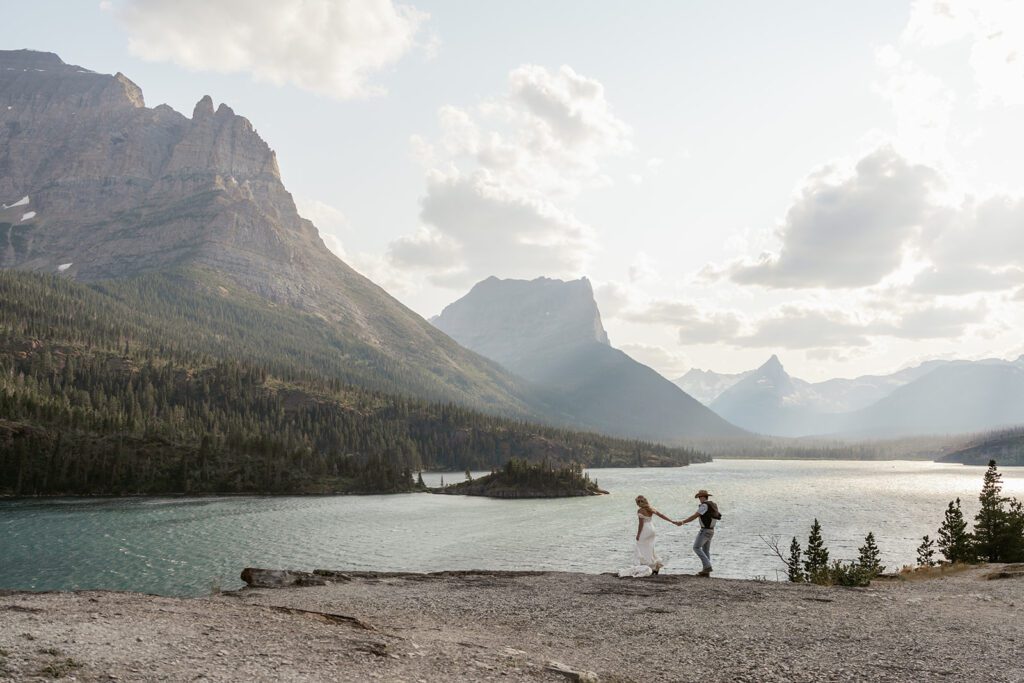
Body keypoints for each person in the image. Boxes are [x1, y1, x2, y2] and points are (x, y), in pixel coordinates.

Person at [623, 495, 679, 576]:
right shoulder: (651, 509)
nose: (637, 504)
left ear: (639, 503)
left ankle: (648, 567)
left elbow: (641, 524)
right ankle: (655, 567)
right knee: (650, 548)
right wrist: (672, 521)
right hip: (652, 529)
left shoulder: (640, 511)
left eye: (637, 502)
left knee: (641, 547)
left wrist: (638, 534)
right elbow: (662, 515)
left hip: (645, 529)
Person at [676, 489, 719, 577]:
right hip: (711, 530)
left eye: (700, 497)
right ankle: (706, 572)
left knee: (696, 547)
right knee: (706, 550)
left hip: (705, 530)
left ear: (703, 497)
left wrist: (683, 522)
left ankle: (707, 566)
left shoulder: (704, 506)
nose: (699, 499)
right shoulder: (713, 505)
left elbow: (695, 516)